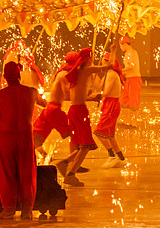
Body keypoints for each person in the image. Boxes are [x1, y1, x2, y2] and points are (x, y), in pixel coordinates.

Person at [56, 46, 114, 186]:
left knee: (79, 144)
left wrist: (91, 97)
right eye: (92, 58)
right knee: (86, 145)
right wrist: (113, 51)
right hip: (80, 111)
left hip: (73, 110)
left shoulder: (75, 72)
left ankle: (68, 163)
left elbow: (78, 95)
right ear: (88, 59)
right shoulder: (86, 70)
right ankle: (70, 173)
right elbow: (108, 67)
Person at [0, 61, 38, 220]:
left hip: (7, 138)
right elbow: (46, 105)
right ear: (19, 75)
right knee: (27, 173)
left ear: (4, 77)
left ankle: (9, 209)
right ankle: (27, 210)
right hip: (25, 137)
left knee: (7, 173)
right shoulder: (31, 92)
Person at [33, 52, 76, 164]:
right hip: (54, 110)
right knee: (76, 132)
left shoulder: (61, 73)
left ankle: (43, 155)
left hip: (49, 109)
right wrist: (86, 96)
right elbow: (67, 95)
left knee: (35, 139)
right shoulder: (64, 75)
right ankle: (72, 162)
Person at [94, 51, 127, 168]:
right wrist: (94, 75)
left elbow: (106, 92)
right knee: (110, 135)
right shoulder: (109, 73)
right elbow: (100, 87)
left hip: (111, 105)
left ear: (107, 62)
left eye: (104, 60)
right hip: (110, 104)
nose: (102, 62)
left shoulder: (112, 74)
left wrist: (95, 96)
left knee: (98, 132)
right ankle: (121, 158)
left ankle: (111, 155)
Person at [119, 36, 142, 128]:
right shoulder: (127, 53)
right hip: (128, 79)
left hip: (134, 79)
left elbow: (132, 67)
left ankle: (134, 123)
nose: (120, 48)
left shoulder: (132, 53)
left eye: (120, 45)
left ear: (124, 44)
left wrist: (121, 70)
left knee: (133, 102)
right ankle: (126, 121)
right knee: (124, 101)